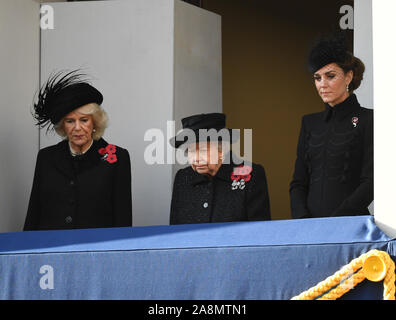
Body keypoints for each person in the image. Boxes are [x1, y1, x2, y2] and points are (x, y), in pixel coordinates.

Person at [24, 70, 132, 230]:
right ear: (62, 126)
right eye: (69, 121)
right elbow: (34, 212)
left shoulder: (117, 157)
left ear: (94, 122)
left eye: (84, 120)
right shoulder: (46, 157)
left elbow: (122, 218)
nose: (77, 128)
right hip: (52, 248)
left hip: (96, 250)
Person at [289, 34, 373, 219]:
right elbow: (298, 183)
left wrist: (337, 221)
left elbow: (371, 181)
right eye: (317, 78)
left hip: (351, 226)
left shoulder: (369, 119)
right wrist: (302, 221)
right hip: (310, 228)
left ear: (348, 76)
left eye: (330, 76)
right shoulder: (309, 123)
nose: (322, 85)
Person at [169, 112, 271, 224]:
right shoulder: (183, 178)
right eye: (191, 151)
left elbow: (260, 231)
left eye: (203, 150)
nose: (196, 159)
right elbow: (175, 231)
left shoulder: (251, 174)